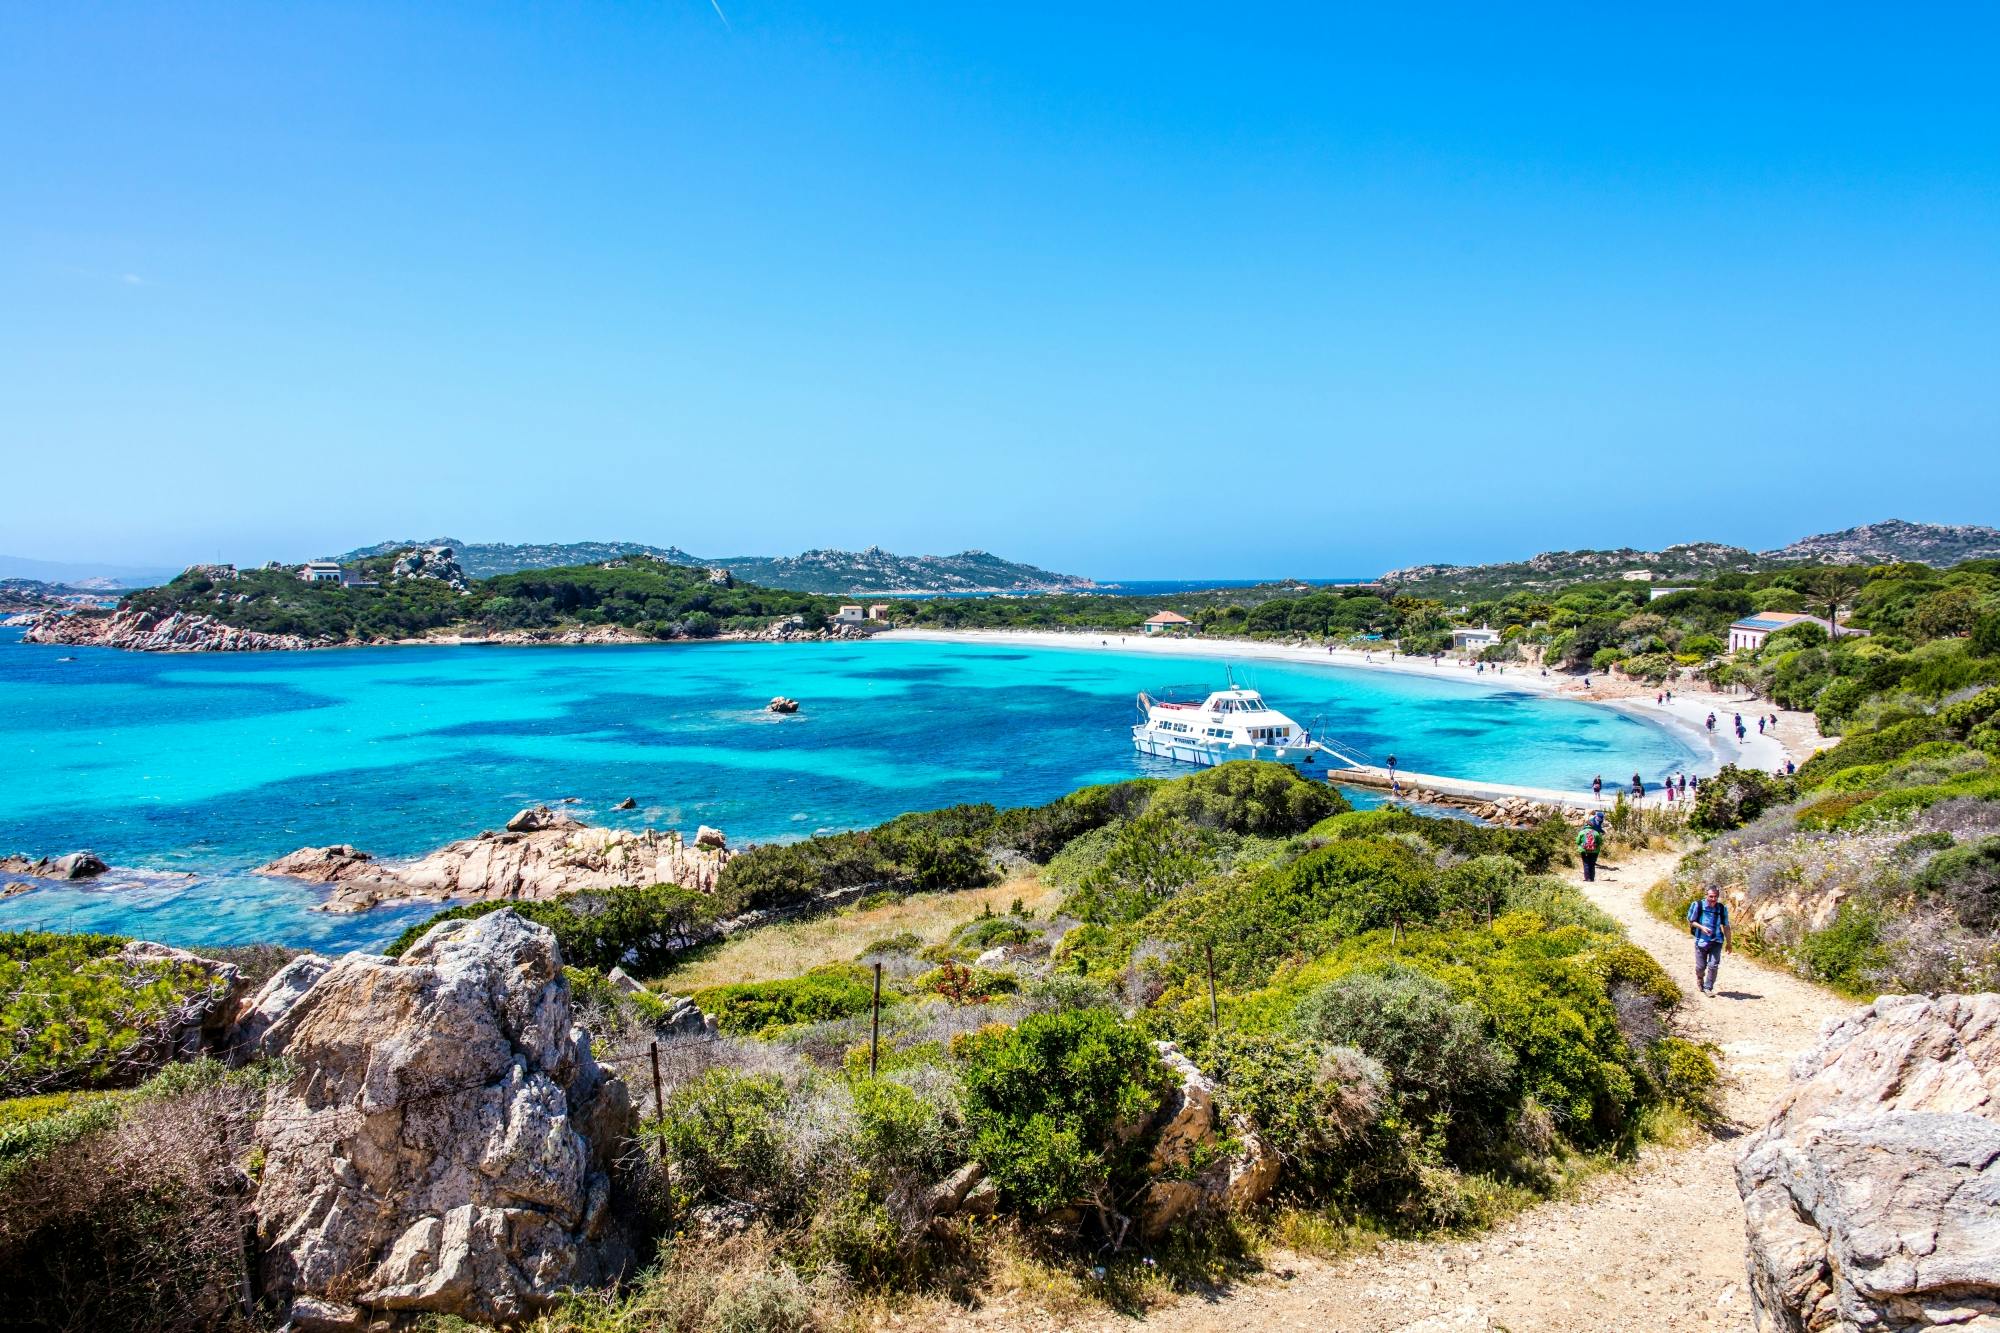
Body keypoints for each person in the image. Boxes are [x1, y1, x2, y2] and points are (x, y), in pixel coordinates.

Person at [1687, 887, 1732, 996]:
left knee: (1713, 965)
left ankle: (1708, 987)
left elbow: (1726, 926)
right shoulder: (1698, 905)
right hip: (1701, 941)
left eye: (1715, 896)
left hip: (1717, 940)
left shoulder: (1721, 908)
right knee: (1701, 967)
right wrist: (1701, 928)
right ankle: (1700, 978)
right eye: (1711, 896)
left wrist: (1729, 943)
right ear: (1706, 895)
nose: (1713, 899)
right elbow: (1691, 920)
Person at [1576, 813, 1605, 882]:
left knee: (1586, 864)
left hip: (1584, 850)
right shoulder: (1596, 833)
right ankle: (1592, 878)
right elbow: (1600, 842)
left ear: (1586, 825)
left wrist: (1582, 845)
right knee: (1592, 864)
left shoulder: (1582, 832)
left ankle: (1587, 879)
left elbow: (1577, 842)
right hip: (1594, 851)